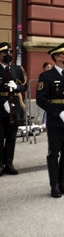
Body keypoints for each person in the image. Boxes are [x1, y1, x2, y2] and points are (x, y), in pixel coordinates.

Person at [36, 41, 64, 197]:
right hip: (56, 120)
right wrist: (58, 113)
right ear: (56, 57)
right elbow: (41, 100)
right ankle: (54, 185)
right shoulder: (46, 76)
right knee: (54, 153)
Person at [0, 42, 27, 176]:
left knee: (11, 137)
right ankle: (0, 164)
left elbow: (24, 86)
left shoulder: (17, 69)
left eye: (10, 52)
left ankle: (9, 163)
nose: (8, 55)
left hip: (14, 106)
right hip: (0, 107)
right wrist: (3, 101)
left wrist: (16, 87)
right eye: (5, 53)